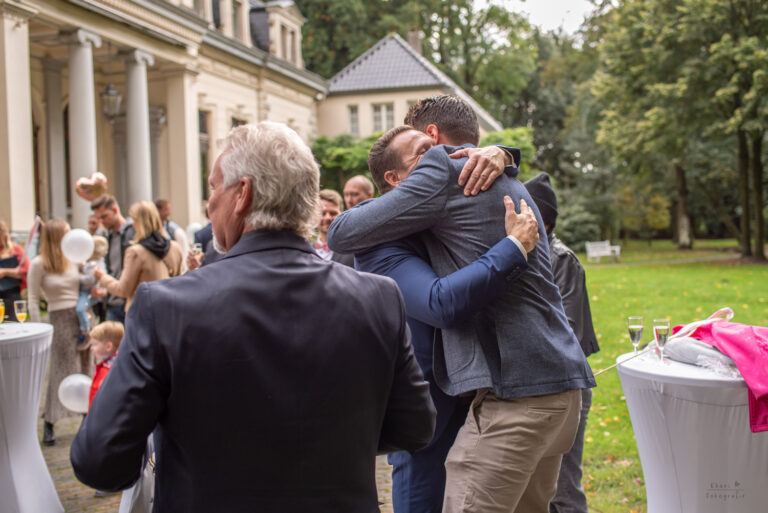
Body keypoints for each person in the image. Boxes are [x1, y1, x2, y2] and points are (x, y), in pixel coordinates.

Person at [71, 121, 436, 512]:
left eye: (213, 188)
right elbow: (413, 427)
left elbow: (100, 461)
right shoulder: (377, 297)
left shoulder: (166, 306)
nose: (209, 203)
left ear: (241, 194)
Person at [328, 95, 595, 513]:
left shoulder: (444, 169)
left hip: (513, 390)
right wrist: (510, 241)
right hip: (500, 389)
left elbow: (339, 233)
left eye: (425, 144)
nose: (432, 156)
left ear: (434, 138)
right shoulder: (495, 179)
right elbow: (348, 237)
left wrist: (504, 155)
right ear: (395, 180)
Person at [524, 173, 600, 513]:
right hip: (540, 385)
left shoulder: (561, 259)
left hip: (569, 386)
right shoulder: (526, 255)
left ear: (544, 219)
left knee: (564, 487)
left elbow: (567, 329)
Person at [28, 219, 93, 446]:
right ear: (57, 237)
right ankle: (50, 420)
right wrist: (39, 330)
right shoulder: (38, 264)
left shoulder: (74, 260)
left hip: (83, 317)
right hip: (59, 319)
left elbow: (87, 285)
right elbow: (33, 299)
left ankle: (88, 418)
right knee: (61, 370)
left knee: (86, 366)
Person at [94, 201, 183, 312]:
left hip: (142, 314)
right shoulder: (175, 248)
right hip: (168, 311)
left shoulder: (136, 252)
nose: (133, 225)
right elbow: (179, 284)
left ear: (138, 223)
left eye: (134, 221)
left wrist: (102, 276)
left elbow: (123, 290)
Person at [90, 195, 135, 324]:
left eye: (104, 216)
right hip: (111, 301)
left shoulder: (132, 232)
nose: (101, 221)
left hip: (130, 301)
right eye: (98, 218)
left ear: (115, 210)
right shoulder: (105, 236)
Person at [75, 235, 108, 349]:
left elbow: (89, 280)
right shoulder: (92, 262)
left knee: (80, 308)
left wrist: (77, 276)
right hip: (87, 291)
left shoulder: (96, 264)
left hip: (88, 292)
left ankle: (85, 331)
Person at [87, 320, 122, 410]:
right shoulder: (118, 364)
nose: (92, 348)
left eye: (95, 344)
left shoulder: (107, 371)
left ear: (108, 347)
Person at [314, 189, 354, 266]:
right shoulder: (305, 252)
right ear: (314, 216)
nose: (328, 218)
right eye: (322, 213)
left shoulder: (353, 251)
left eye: (333, 213)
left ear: (342, 215)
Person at [0, 220, 30, 322]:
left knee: (13, 324)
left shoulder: (14, 249)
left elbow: (25, 270)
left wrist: (5, 271)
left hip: (11, 294)